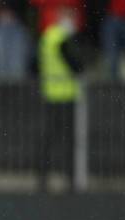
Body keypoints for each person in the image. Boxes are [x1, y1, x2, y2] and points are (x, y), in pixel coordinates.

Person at [38, 7, 84, 192]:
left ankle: (43, 179)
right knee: (69, 141)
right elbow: (76, 66)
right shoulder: (63, 40)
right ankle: (70, 180)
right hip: (65, 95)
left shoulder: (47, 38)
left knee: (49, 140)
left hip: (49, 94)